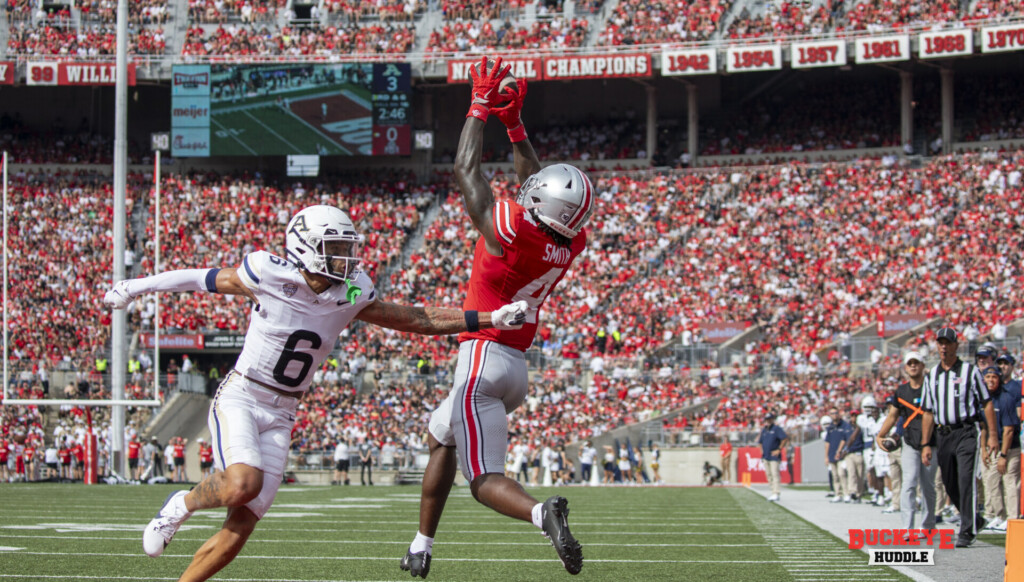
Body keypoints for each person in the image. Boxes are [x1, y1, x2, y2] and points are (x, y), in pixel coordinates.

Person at [104, 203, 527, 582]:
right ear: (305, 247)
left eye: (347, 247)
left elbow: (415, 318)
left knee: (243, 522)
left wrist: (489, 318)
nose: (346, 257)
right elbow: (203, 278)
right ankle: (181, 503)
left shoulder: (351, 291)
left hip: (286, 411)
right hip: (244, 395)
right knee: (242, 484)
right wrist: (136, 286)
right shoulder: (268, 273)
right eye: (335, 247)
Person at [401, 57, 590, 579]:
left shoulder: (510, 228)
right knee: (441, 435)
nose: (529, 189)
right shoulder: (568, 241)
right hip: (514, 367)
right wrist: (516, 126)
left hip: (482, 357)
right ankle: (421, 545)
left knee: (483, 480)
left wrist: (480, 107)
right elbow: (538, 186)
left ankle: (539, 513)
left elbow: (467, 172)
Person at [920, 327, 998, 548]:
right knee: (948, 481)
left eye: (948, 342)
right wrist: (926, 443)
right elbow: (928, 411)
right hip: (943, 433)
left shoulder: (970, 372)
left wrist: (992, 435)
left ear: (956, 345)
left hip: (965, 431)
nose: (944, 347)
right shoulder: (932, 375)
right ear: (937, 346)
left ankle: (967, 530)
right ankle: (975, 518)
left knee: (965, 479)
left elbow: (986, 403)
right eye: (940, 343)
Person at [876, 351, 936, 532]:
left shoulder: (931, 387)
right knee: (908, 482)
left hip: (931, 442)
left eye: (916, 363)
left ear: (922, 365)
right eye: (909, 363)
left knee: (928, 485)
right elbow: (893, 415)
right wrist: (881, 434)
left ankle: (927, 526)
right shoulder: (901, 391)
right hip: (909, 441)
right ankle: (907, 527)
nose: (913, 366)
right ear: (905, 367)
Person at [980, 366, 1021, 530]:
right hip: (993, 447)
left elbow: (1009, 430)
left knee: (1010, 482)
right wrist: (983, 449)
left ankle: (1012, 519)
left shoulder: (1006, 398)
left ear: (1000, 379)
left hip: (1009, 447)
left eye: (994, 377)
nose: (990, 380)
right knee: (991, 481)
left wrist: (1004, 455)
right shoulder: (983, 399)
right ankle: (1000, 515)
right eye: (987, 376)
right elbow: (983, 427)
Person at [759, 413, 789, 502]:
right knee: (769, 475)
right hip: (766, 455)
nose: (768, 421)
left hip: (774, 456)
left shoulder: (776, 429)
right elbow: (760, 442)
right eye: (767, 419)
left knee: (775, 474)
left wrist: (779, 449)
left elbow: (784, 439)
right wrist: (762, 451)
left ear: (772, 419)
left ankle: (776, 492)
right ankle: (772, 491)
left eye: (770, 419)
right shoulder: (764, 430)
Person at [823, 414, 851, 503]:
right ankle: (838, 494)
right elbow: (827, 443)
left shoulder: (844, 426)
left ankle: (846, 493)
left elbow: (844, 439)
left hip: (840, 455)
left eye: (835, 413)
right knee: (835, 476)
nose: (834, 415)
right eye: (832, 413)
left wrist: (839, 451)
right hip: (831, 454)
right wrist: (826, 456)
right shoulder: (830, 428)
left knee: (842, 474)